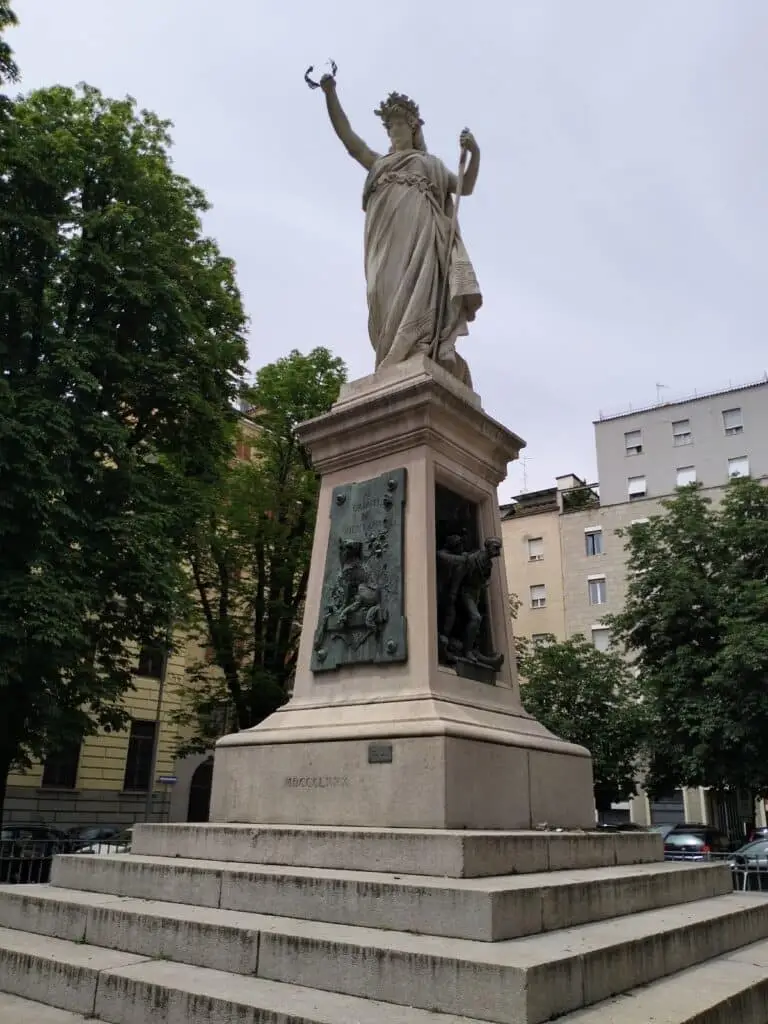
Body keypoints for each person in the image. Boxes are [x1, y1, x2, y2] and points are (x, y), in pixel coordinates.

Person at [318, 77, 482, 387]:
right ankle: (391, 355)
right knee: (378, 291)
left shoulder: (428, 164)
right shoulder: (379, 163)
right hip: (385, 239)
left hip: (421, 239)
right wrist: (330, 93)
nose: (393, 131)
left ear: (413, 128)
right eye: (389, 126)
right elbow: (348, 139)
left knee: (418, 293)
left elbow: (466, 187)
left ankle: (417, 347)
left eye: (397, 125)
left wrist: (474, 153)